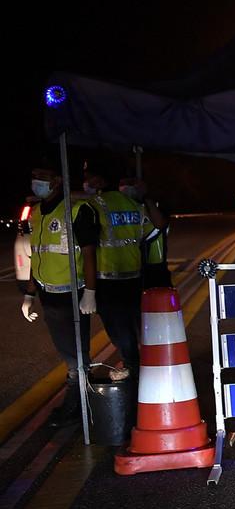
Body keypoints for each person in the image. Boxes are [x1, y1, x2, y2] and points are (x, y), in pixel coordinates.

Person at [21, 161, 99, 427]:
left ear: (56, 181)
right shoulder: (37, 213)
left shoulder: (77, 210)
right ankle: (81, 402)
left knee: (75, 355)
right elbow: (37, 254)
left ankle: (76, 406)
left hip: (72, 295)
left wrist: (90, 292)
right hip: (48, 295)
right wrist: (30, 294)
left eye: (42, 177)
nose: (37, 183)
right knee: (68, 353)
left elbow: (89, 254)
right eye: (34, 178)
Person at [83, 159, 142, 377]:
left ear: (99, 180)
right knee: (134, 324)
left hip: (108, 277)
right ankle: (138, 364)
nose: (85, 183)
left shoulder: (95, 205)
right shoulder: (132, 203)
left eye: (88, 178)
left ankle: (132, 367)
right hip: (135, 275)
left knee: (119, 329)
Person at [120, 176, 172, 288]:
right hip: (132, 269)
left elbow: (160, 223)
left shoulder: (154, 206)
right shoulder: (123, 207)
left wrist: (146, 197)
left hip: (156, 270)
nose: (125, 187)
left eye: (130, 183)